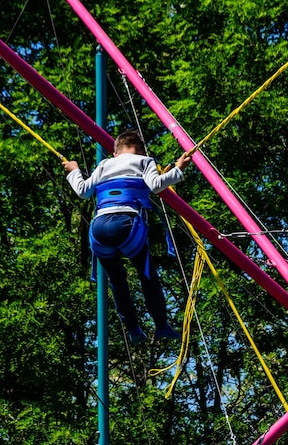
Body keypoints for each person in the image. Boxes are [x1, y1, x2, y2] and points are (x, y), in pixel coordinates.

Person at [63, 130, 192, 344]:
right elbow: (156, 185)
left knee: (117, 279)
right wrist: (178, 169)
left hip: (98, 230)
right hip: (126, 226)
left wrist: (74, 171)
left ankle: (132, 327)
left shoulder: (104, 164)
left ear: (115, 152)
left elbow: (83, 191)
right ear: (140, 150)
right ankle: (161, 325)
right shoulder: (145, 161)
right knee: (147, 276)